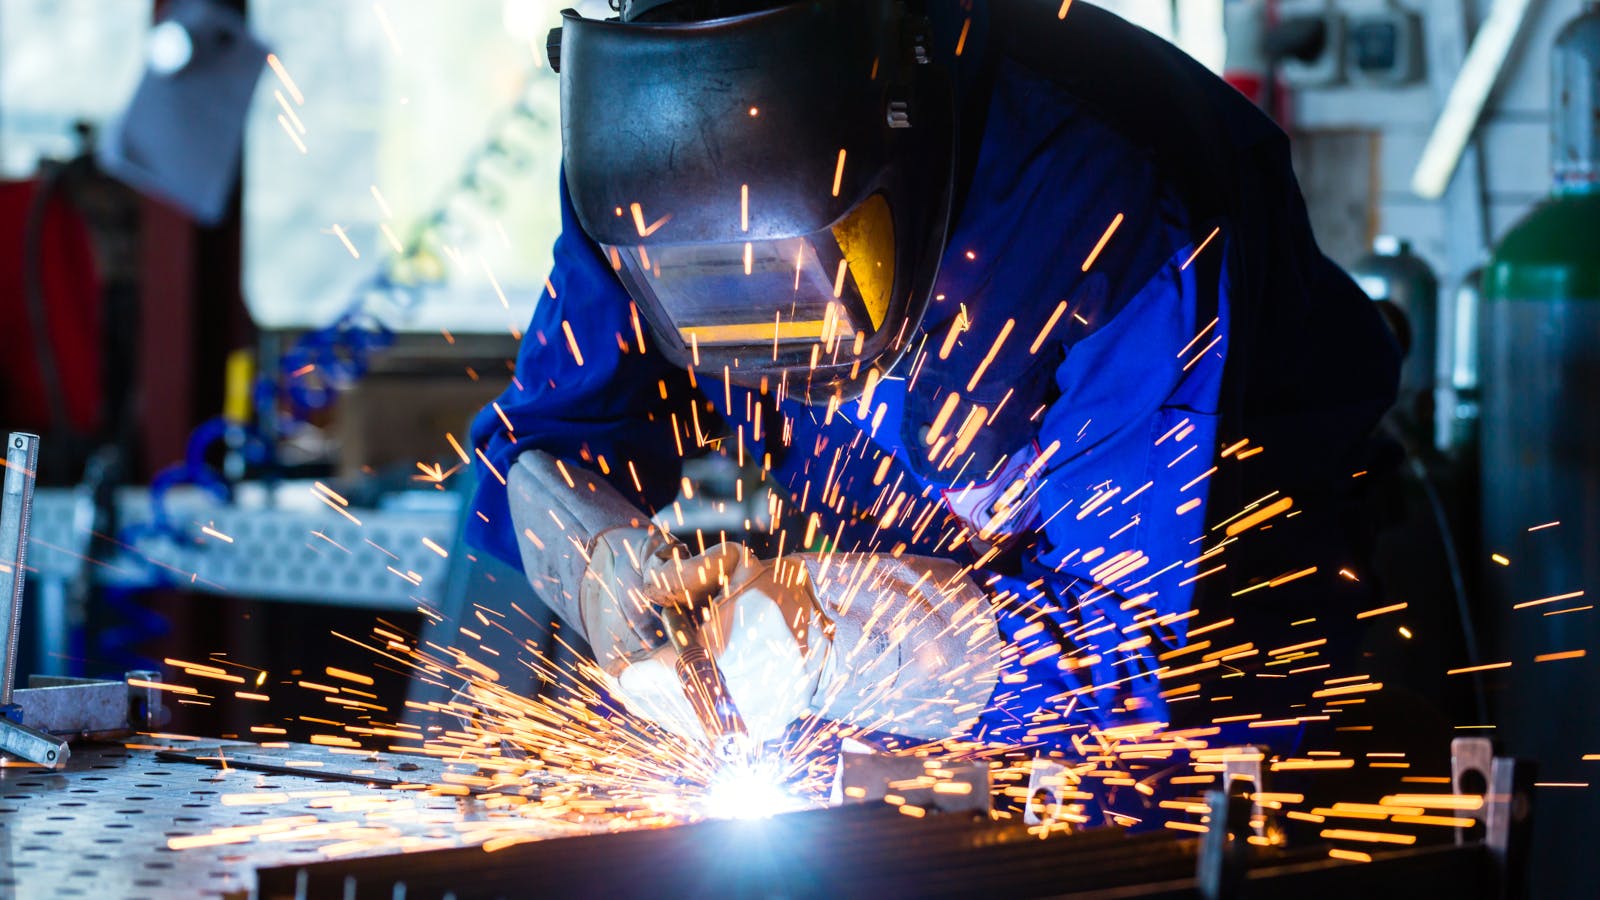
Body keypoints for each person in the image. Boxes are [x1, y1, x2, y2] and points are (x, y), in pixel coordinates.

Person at [466, 0, 1401, 755]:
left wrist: (831, 638)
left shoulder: (1110, 208)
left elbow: (1132, 653)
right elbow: (543, 447)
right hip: (881, 701)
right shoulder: (636, 170)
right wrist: (601, 567)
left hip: (1204, 712)